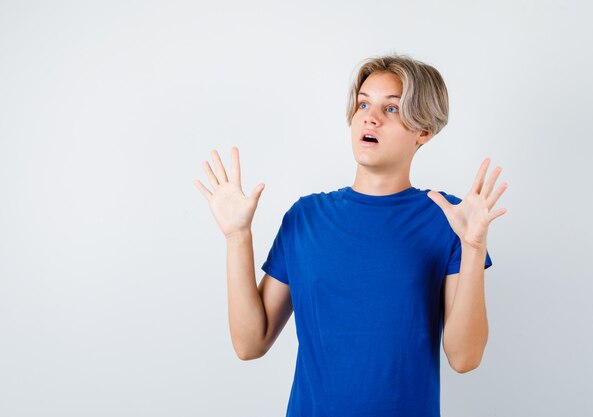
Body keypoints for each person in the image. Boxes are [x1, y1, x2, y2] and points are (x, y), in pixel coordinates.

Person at [194, 53, 508, 417]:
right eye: (363, 104)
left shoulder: (449, 220)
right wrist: (237, 237)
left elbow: (464, 357)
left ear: (423, 131)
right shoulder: (306, 217)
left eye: (391, 109)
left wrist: (473, 247)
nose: (370, 117)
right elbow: (250, 344)